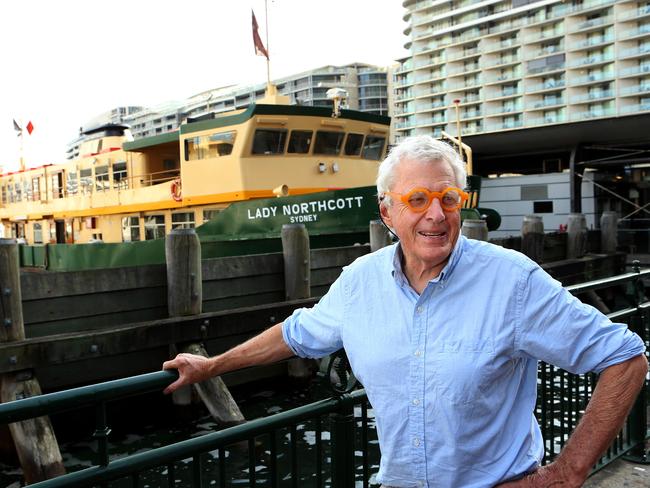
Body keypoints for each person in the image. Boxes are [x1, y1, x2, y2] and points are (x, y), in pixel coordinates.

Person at [163, 135, 648, 488]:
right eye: (417, 200)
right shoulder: (359, 282)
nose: (436, 215)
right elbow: (297, 334)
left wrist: (566, 474)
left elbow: (626, 358)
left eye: (448, 198)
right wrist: (212, 365)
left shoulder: (512, 281)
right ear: (387, 212)